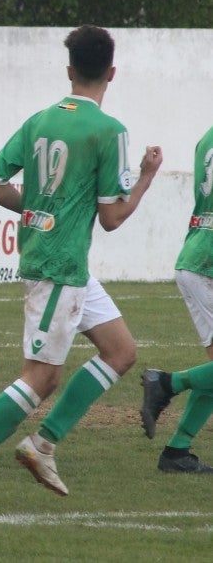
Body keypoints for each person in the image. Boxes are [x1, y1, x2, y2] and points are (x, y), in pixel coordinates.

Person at [0, 25, 162, 509]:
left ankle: (43, 444)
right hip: (58, 265)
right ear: (111, 72)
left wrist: (36, 209)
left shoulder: (39, 120)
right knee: (40, 378)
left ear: (69, 70)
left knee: (121, 351)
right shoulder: (109, 130)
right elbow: (113, 217)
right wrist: (145, 178)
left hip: (63, 261)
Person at [138, 121, 213, 474]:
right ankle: (167, 382)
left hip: (199, 255)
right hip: (206, 265)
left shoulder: (206, 137)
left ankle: (177, 452)